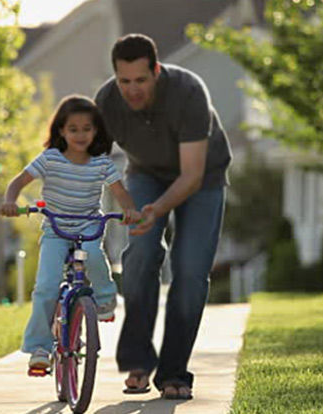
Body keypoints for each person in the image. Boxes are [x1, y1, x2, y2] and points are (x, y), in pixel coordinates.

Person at [94, 34, 232, 400]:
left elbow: (191, 175)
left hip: (202, 179)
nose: (132, 90)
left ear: (156, 70)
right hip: (145, 174)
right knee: (140, 254)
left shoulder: (188, 92)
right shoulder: (107, 101)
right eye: (125, 81)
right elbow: (93, 166)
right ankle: (139, 359)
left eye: (141, 80)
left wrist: (157, 210)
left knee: (189, 271)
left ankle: (174, 372)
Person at [0, 95, 142, 371]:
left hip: (88, 225)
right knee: (46, 287)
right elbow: (18, 181)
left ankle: (104, 299)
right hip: (56, 229)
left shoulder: (101, 163)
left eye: (86, 129)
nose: (80, 134)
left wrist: (130, 211)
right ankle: (40, 348)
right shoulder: (50, 159)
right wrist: (10, 200)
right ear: (61, 131)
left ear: (96, 131)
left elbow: (120, 193)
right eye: (73, 129)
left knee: (93, 255)